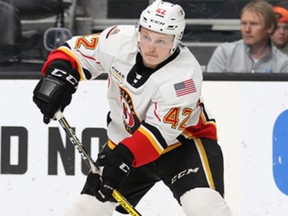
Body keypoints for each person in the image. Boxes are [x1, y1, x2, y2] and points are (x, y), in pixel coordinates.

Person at [32, 0, 232, 215]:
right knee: (86, 210)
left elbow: (157, 135)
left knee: (204, 206)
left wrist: (120, 161)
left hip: (184, 146)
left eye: (161, 40)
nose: (151, 47)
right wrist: (59, 75)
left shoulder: (184, 77)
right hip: (125, 143)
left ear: (176, 40)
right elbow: (74, 51)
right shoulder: (118, 39)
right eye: (146, 36)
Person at [206, 1, 288, 73]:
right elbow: (211, 88)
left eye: (254, 24)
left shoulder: (283, 63)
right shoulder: (225, 53)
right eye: (244, 23)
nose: (247, 29)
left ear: (269, 27)